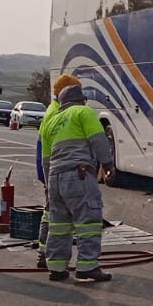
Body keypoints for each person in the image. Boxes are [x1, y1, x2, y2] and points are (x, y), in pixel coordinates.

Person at [39, 76, 114, 282]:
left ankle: (56, 268)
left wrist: (48, 185)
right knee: (88, 220)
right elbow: (98, 140)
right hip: (78, 175)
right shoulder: (83, 112)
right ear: (81, 100)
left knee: (59, 224)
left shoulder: (50, 121)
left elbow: (45, 158)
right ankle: (87, 265)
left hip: (55, 178)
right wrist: (107, 164)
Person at [34, 74, 78, 270]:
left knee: (51, 212)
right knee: (54, 214)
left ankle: (45, 254)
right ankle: (46, 256)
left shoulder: (52, 110)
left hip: (50, 166)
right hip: (52, 166)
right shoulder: (58, 113)